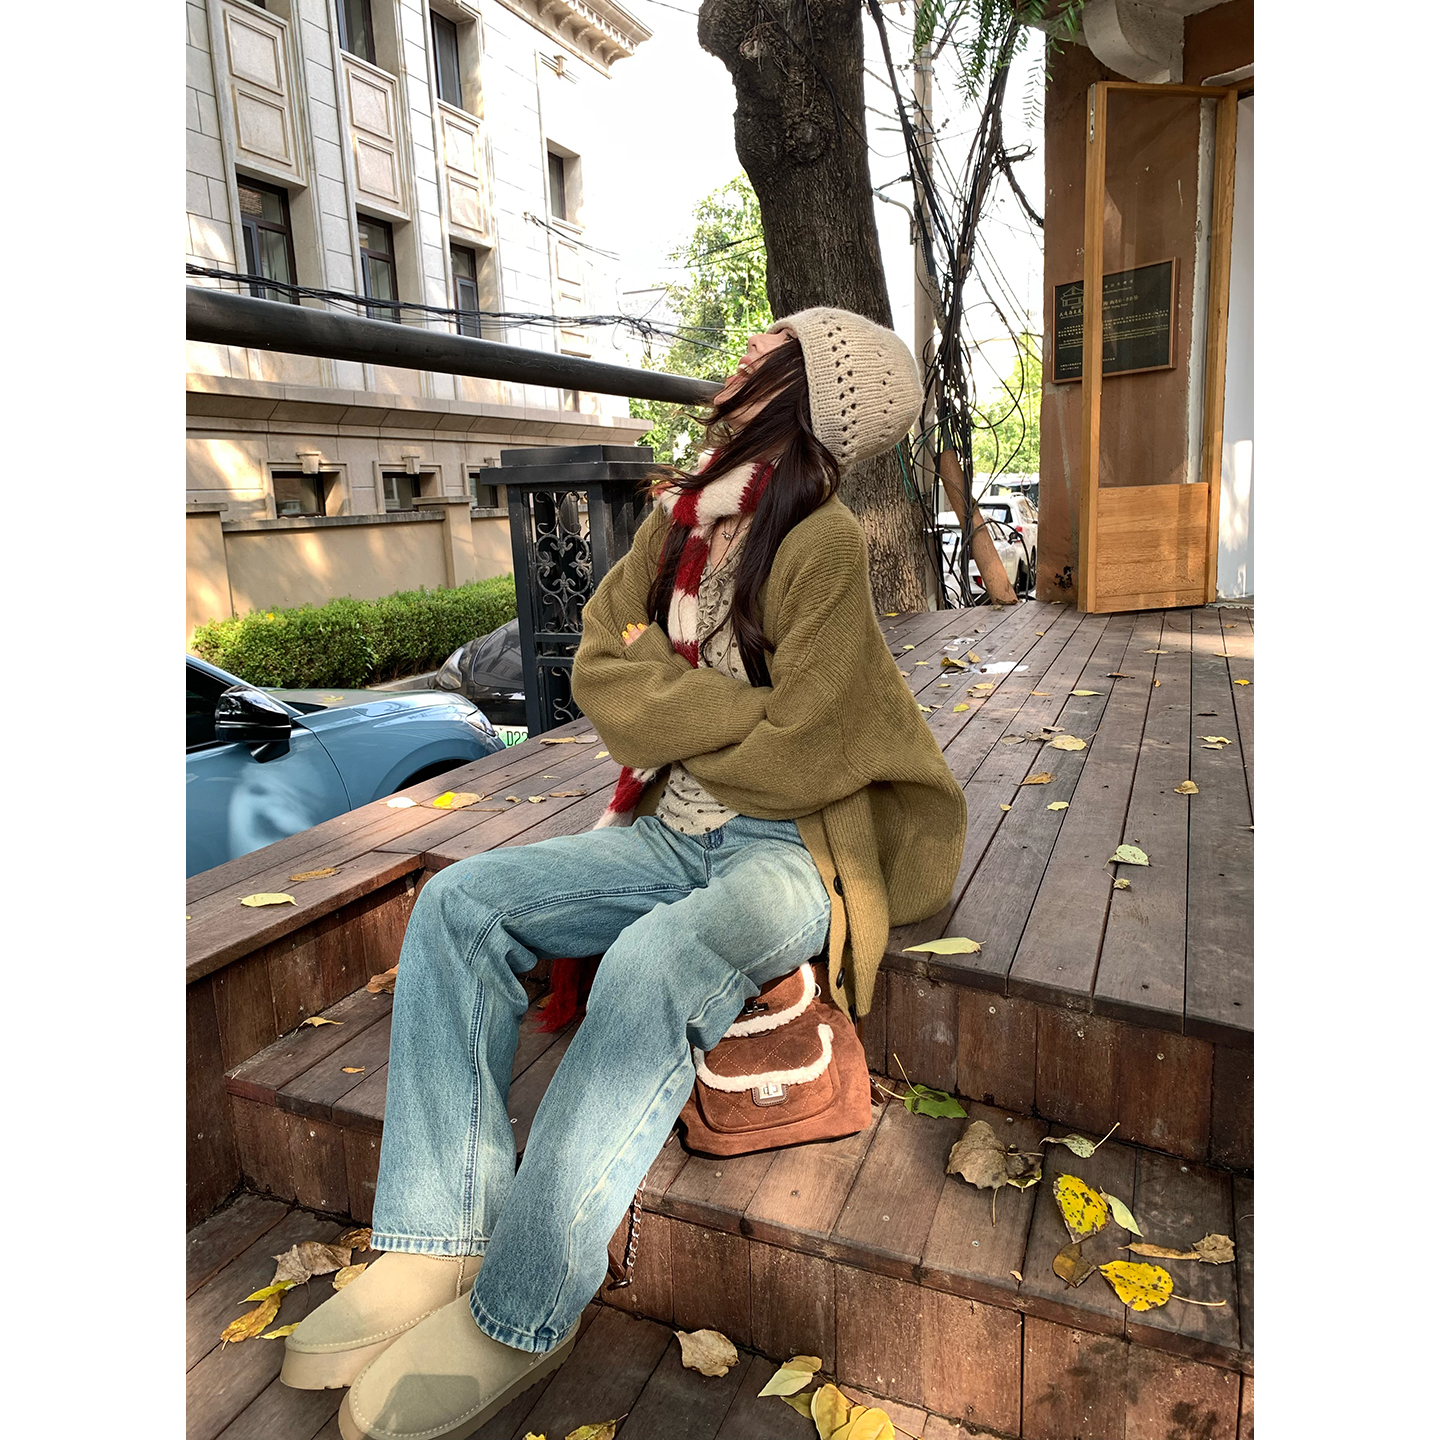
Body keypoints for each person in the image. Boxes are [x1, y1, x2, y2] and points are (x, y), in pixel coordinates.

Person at [281, 308, 968, 1440]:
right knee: (458, 904)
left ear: (810, 386)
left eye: (771, 345)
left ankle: (523, 1307)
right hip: (666, 830)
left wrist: (676, 705)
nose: (744, 349)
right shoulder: (679, 520)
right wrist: (726, 710)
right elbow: (603, 672)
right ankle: (439, 1238)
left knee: (650, 963)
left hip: (789, 846)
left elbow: (809, 749)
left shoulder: (824, 542)